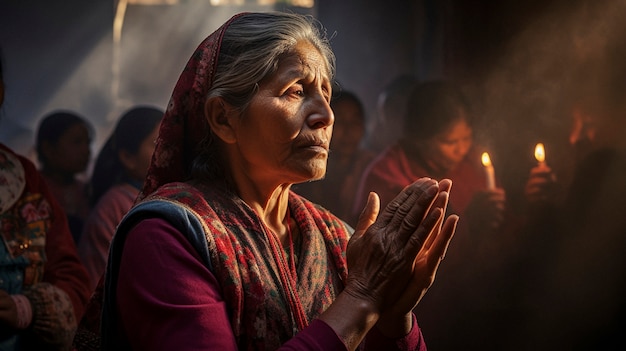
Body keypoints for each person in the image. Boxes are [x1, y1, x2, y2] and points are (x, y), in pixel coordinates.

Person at [72, 12, 459, 351]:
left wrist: (393, 314)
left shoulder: (337, 239)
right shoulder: (168, 235)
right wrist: (361, 297)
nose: (326, 115)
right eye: (296, 91)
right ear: (224, 118)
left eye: (325, 93)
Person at [352, 79, 511, 350]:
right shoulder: (387, 178)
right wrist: (468, 222)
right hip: (418, 318)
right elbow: (394, 267)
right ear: (418, 138)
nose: (461, 149)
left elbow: (501, 239)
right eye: (449, 141)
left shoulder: (468, 165)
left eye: (466, 138)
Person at [0, 46, 92, 351]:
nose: (86, 151)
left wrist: (27, 308)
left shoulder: (22, 180)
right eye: (76, 142)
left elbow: (70, 275)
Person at [78, 106, 162, 290]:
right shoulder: (115, 205)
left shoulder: (164, 197)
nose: (169, 150)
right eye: (157, 143)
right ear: (128, 157)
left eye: (172, 140)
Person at [293, 89, 371, 224]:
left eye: (355, 122)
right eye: (340, 121)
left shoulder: (370, 168)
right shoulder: (307, 168)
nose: (348, 131)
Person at [35, 111, 93, 244]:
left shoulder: (85, 191)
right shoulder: (34, 189)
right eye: (77, 142)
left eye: (88, 143)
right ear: (48, 148)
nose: (86, 150)